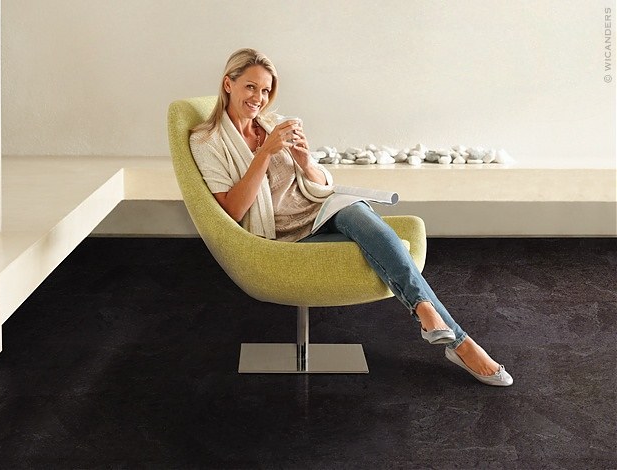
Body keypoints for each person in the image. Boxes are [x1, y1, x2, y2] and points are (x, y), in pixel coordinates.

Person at [189, 48, 512, 386]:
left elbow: (317, 184)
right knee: (381, 247)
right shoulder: (207, 141)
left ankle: (429, 314)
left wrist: (305, 161)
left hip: (319, 209)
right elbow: (233, 210)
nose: (259, 98)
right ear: (228, 84)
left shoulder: (270, 124)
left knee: (357, 210)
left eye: (266, 90)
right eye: (250, 87)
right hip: (284, 233)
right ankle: (459, 343)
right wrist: (265, 153)